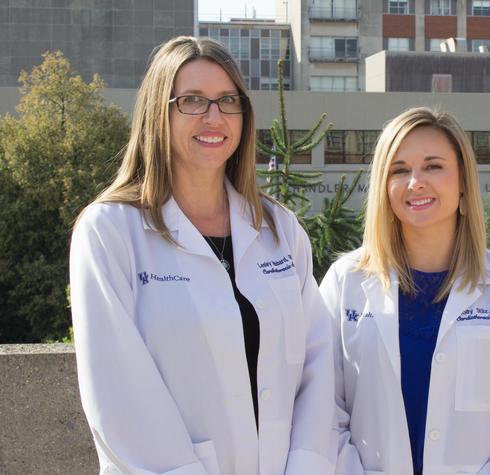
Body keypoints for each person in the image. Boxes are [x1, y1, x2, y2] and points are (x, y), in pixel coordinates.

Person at [70, 36, 335, 475]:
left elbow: (318, 365)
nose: (214, 116)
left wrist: (307, 466)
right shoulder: (110, 231)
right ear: (159, 111)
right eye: (192, 100)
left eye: (228, 101)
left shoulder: (279, 228)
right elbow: (118, 394)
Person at [320, 107, 490, 475]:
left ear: (463, 180)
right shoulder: (346, 282)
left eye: (433, 166)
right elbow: (322, 412)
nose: (415, 182)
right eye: (399, 169)